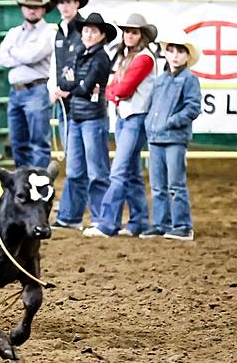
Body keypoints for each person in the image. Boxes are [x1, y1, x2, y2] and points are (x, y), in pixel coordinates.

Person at [84, 13, 157, 238]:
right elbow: (118, 87)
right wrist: (114, 92)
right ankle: (139, 221)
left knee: (119, 171)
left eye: (133, 32)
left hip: (134, 117)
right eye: (127, 32)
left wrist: (110, 92)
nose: (128, 35)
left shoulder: (143, 59)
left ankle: (107, 222)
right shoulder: (132, 57)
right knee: (131, 171)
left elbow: (121, 88)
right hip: (128, 116)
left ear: (141, 35)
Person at [53, 13, 113, 230]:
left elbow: (82, 86)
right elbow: (66, 79)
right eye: (86, 30)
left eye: (93, 31)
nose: (88, 34)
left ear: (101, 36)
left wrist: (71, 87)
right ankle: (71, 216)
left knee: (96, 171)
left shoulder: (100, 58)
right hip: (78, 117)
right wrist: (73, 85)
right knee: (76, 170)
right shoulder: (81, 53)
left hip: (92, 118)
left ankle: (101, 218)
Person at [140, 29, 202, 241]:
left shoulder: (189, 79)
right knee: (158, 185)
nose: (175, 55)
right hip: (157, 137)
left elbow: (193, 107)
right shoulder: (162, 79)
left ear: (187, 56)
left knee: (175, 184)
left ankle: (183, 225)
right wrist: (151, 123)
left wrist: (170, 122)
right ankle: (161, 223)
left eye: (180, 52)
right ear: (166, 53)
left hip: (174, 138)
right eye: (171, 51)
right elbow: (152, 104)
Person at [0, 0, 55, 168]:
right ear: (22, 9)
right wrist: (23, 56)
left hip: (36, 89)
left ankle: (39, 185)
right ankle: (25, 184)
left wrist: (13, 51)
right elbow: (1, 58)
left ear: (44, 10)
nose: (32, 10)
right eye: (28, 7)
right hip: (16, 91)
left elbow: (32, 56)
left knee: (38, 142)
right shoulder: (14, 32)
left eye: (37, 7)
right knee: (18, 142)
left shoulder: (49, 32)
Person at [47, 0, 88, 213]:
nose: (64, 6)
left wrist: (71, 88)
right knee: (74, 159)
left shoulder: (83, 30)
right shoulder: (60, 32)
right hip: (66, 102)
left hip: (79, 103)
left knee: (77, 161)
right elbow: (55, 64)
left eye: (68, 2)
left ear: (76, 4)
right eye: (61, 3)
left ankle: (73, 209)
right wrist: (53, 87)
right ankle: (74, 208)